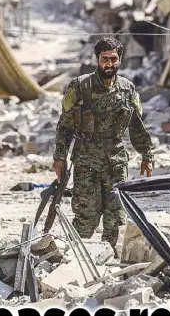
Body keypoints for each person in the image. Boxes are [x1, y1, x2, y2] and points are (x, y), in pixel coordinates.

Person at [52, 36, 154, 256]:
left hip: (116, 161)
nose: (109, 64)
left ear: (120, 60)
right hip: (85, 161)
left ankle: (110, 261)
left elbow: (136, 126)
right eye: (104, 59)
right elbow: (65, 125)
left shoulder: (127, 89)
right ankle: (75, 260)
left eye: (113, 59)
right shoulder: (80, 87)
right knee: (86, 216)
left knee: (116, 216)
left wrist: (147, 155)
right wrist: (59, 156)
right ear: (97, 60)